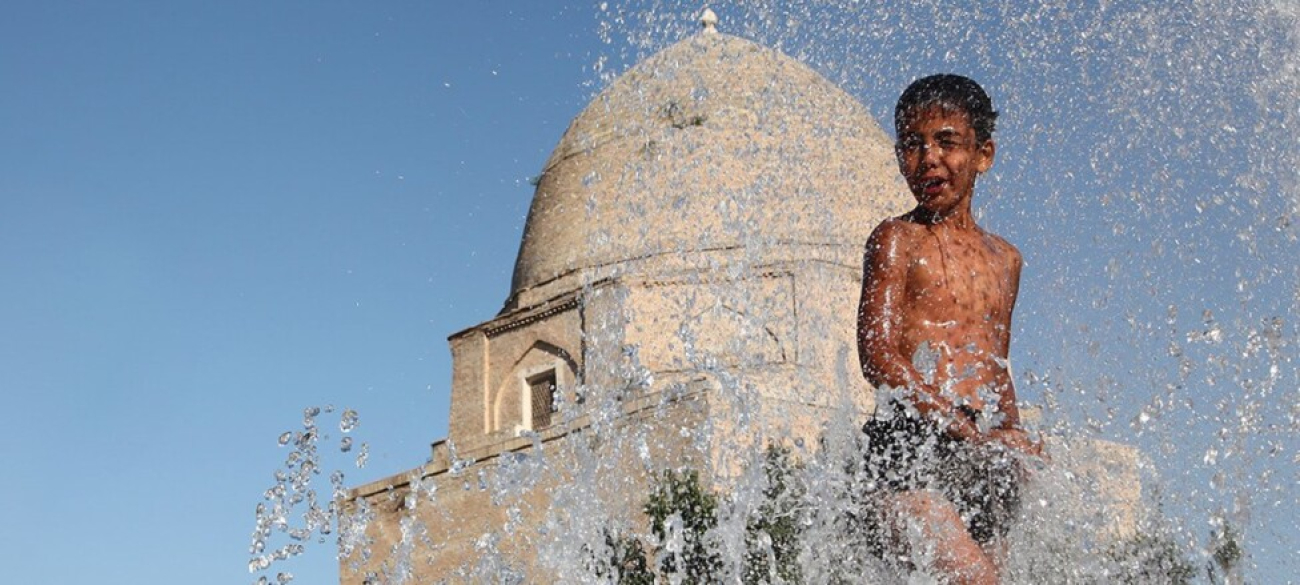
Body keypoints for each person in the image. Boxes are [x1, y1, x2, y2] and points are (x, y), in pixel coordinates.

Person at [856, 74, 1045, 585]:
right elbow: (877, 356)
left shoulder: (1005, 259)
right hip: (907, 452)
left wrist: (1013, 434)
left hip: (980, 461)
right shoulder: (897, 239)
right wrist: (954, 424)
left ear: (983, 155)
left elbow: (994, 367)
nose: (928, 158)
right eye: (912, 145)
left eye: (946, 142)